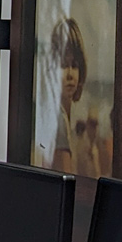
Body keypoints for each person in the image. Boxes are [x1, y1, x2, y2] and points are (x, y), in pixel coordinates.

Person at [47, 17, 86, 173]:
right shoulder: (59, 119)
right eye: (63, 65)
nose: (70, 74)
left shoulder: (64, 116)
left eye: (74, 65)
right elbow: (66, 176)